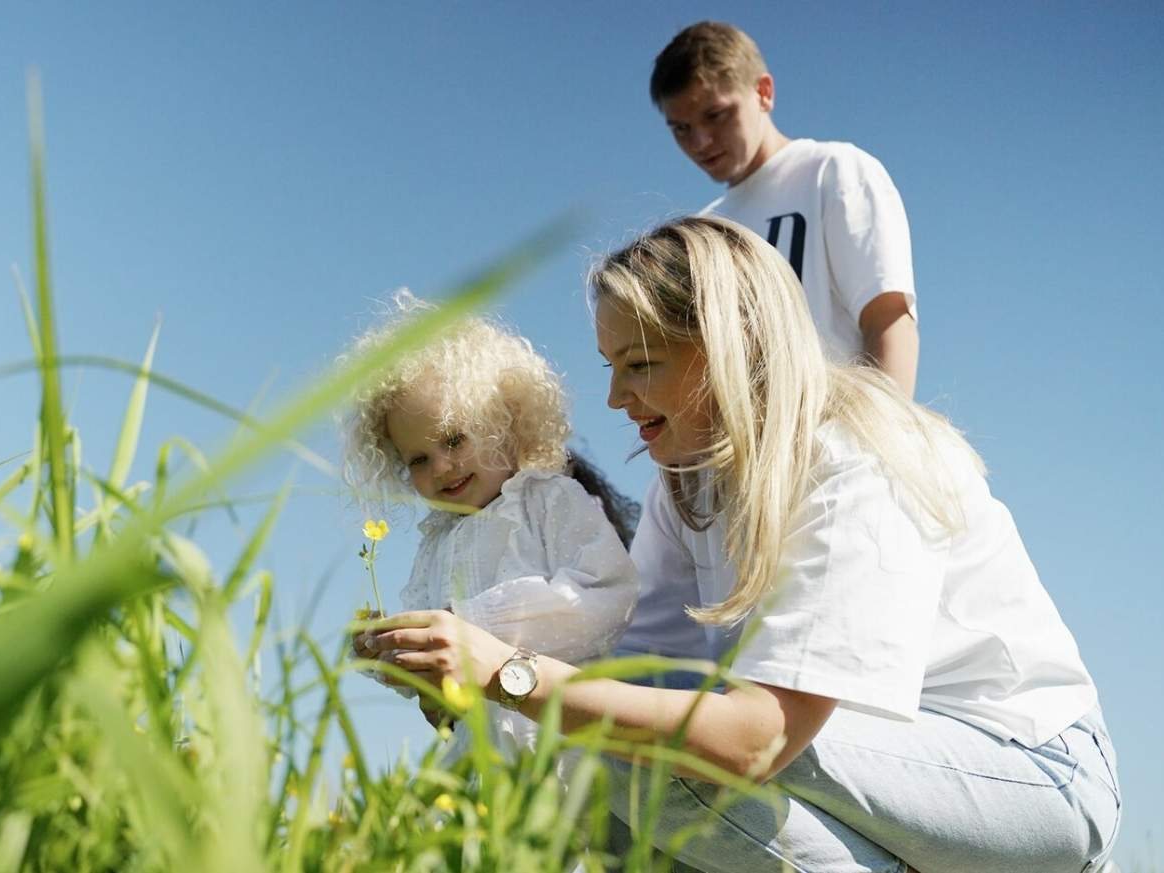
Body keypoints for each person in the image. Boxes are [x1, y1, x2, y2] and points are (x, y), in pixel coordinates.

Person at [356, 219, 1120, 871]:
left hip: (1034, 775)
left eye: (639, 364)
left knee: (654, 756)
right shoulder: (687, 487)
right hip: (871, 767)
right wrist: (462, 688)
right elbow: (633, 672)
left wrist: (508, 672)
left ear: (728, 344)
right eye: (610, 368)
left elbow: (754, 738)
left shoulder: (851, 459)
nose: (615, 398)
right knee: (596, 757)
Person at [340, 290, 639, 769]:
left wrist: (475, 622)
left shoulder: (548, 499)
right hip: (480, 755)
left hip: (566, 740)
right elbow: (435, 653)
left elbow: (605, 595)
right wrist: (390, 651)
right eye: (417, 460)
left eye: (454, 439)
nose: (441, 467)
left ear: (505, 422)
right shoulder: (436, 542)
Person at [652, 21, 919, 397]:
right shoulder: (703, 229)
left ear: (763, 92)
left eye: (716, 115)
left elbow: (888, 318)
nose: (700, 141)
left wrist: (884, 433)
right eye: (681, 128)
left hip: (840, 429)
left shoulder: (833, 171)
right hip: (746, 436)